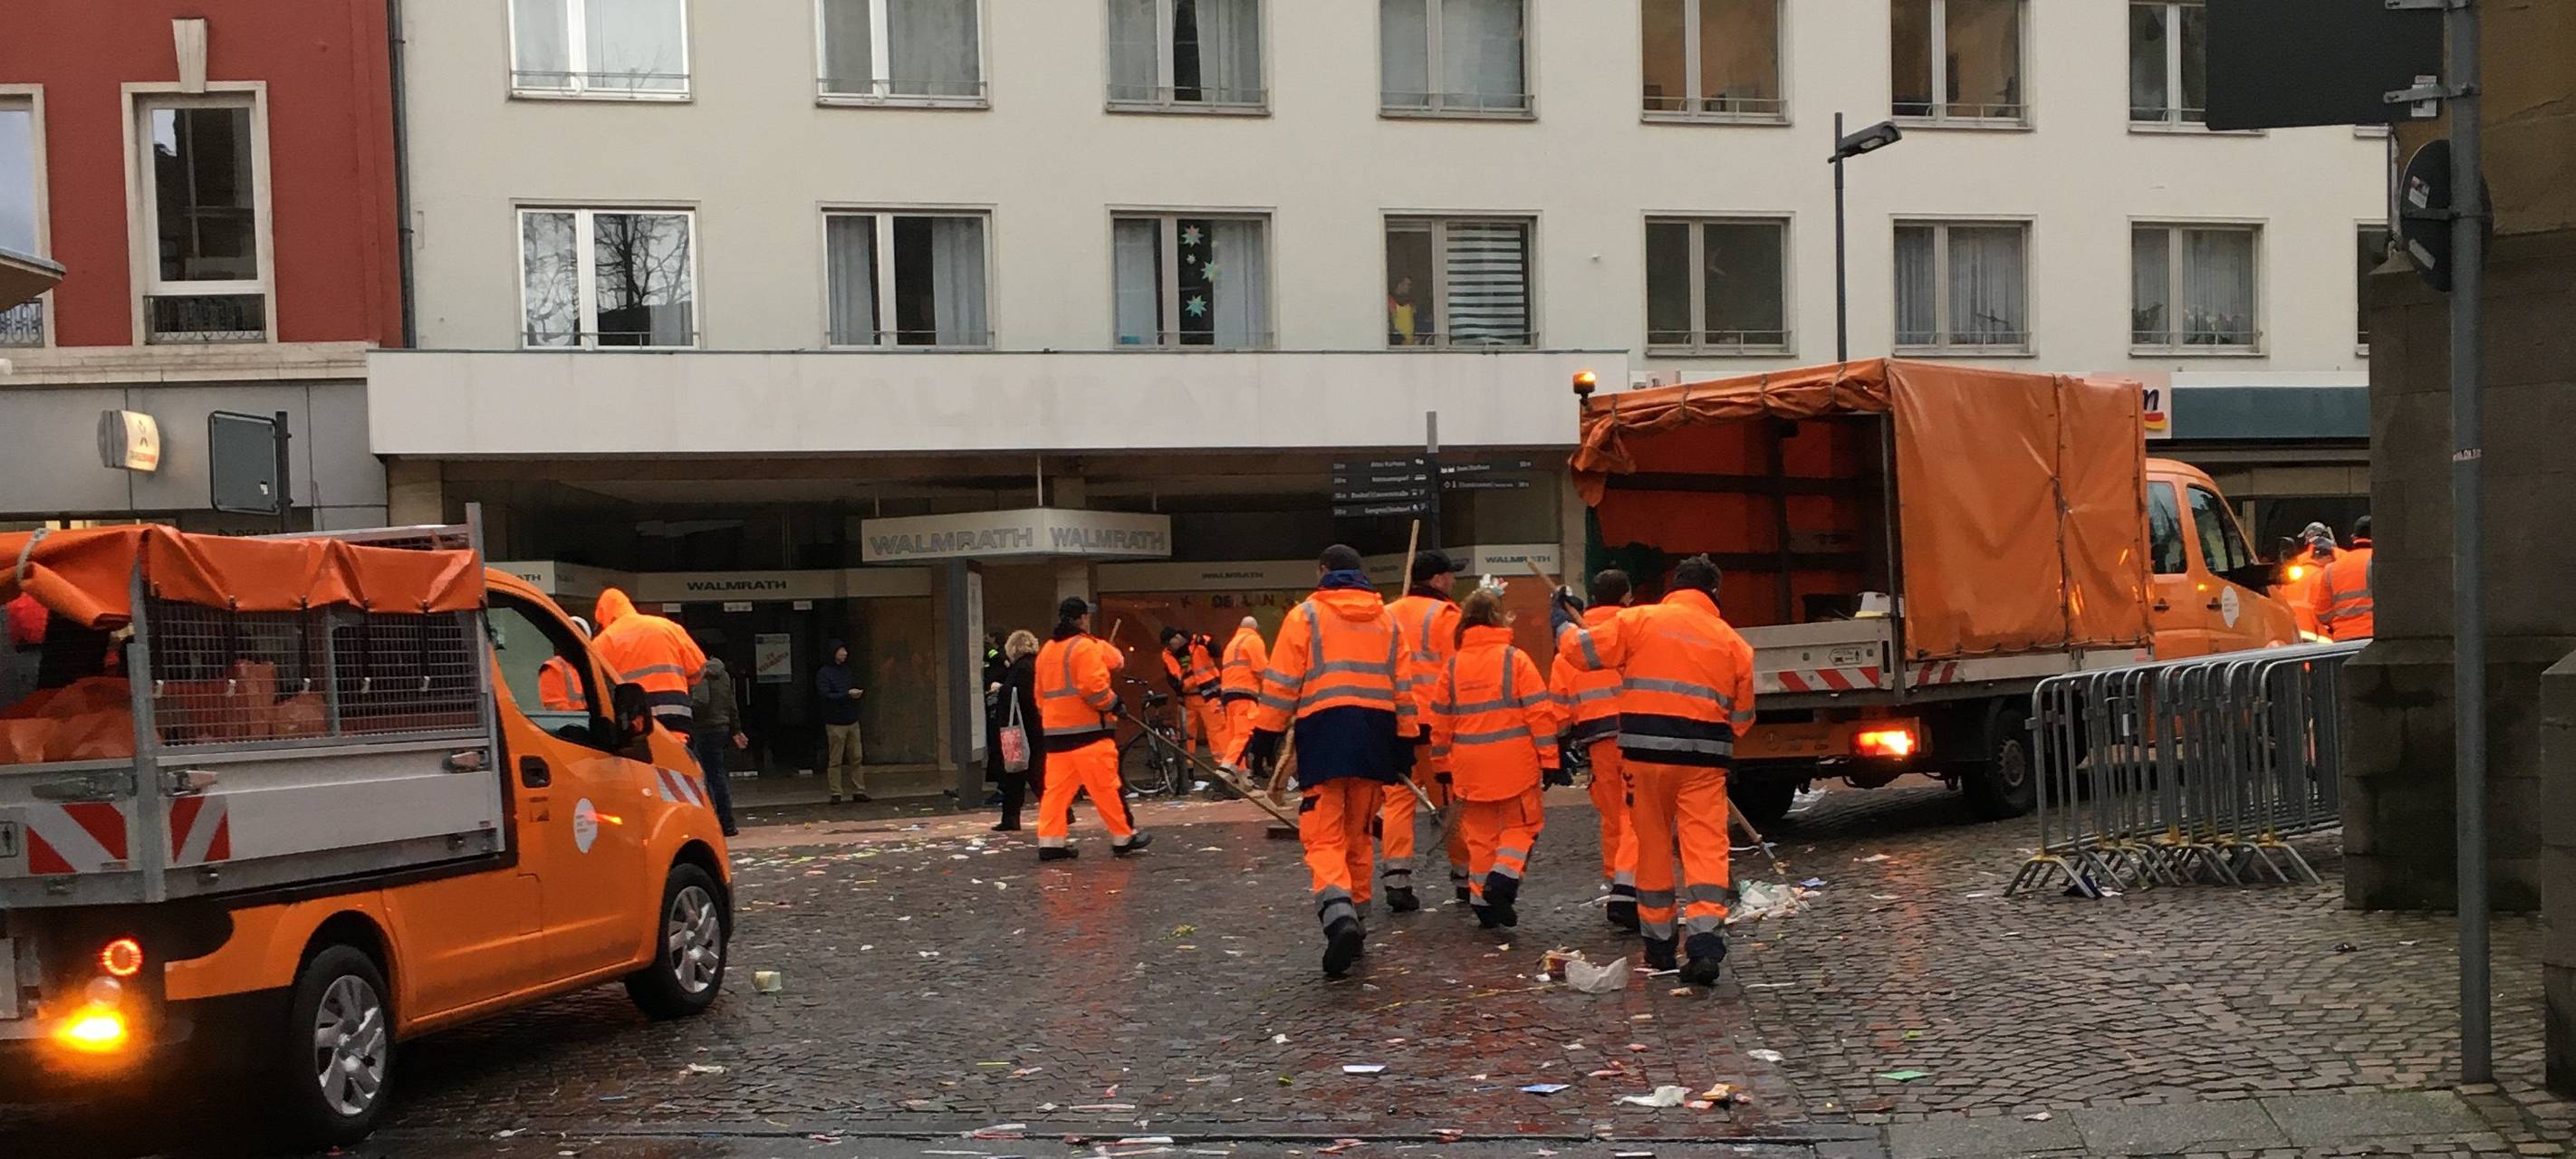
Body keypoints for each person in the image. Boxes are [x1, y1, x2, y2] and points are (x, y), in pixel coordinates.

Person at [1553, 554, 1755, 987]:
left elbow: (1578, 652)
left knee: (1652, 846)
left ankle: (1660, 945)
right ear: (1714, 593)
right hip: (1703, 763)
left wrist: (1561, 618)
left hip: (1643, 756)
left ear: (1674, 586)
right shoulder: (1733, 643)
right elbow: (1742, 719)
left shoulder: (1639, 621)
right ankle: (1703, 943)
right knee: (1705, 849)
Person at [1243, 544, 1415, 978]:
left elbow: (1283, 681)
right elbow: (1404, 690)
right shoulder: (1388, 619)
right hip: (1375, 738)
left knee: (1323, 836)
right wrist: (1406, 744)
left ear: (1323, 571)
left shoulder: (1306, 616)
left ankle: (1339, 918)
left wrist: (1264, 734)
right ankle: (1357, 919)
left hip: (1324, 735)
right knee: (1358, 835)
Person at [1426, 588, 1562, 929]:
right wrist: (1550, 760)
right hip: (1514, 762)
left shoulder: (1453, 666)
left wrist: (1441, 765)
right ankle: (1502, 879)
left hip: (1469, 764)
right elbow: (1539, 715)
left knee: (1480, 835)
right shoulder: (1514, 660)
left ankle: (1481, 899)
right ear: (1497, 618)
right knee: (1523, 826)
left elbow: (1440, 722)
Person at [1552, 569, 1639, 931]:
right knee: (1638, 812)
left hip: (1598, 741)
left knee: (1613, 813)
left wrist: (1554, 748)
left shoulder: (1574, 649)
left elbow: (1558, 712)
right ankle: (1629, 884)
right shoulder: (1637, 631)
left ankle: (1618, 880)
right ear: (1627, 597)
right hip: (1640, 735)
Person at [1035, 598, 1151, 860]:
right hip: (1090, 734)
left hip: (1056, 736)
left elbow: (1040, 696)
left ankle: (1051, 843)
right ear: (1081, 619)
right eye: (1087, 616)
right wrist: (1114, 704)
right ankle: (1124, 836)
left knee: (1056, 792)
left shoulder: (1047, 651)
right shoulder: (1084, 648)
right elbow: (1093, 688)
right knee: (1107, 788)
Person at [1383, 549, 1467, 913]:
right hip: (1434, 721)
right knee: (1448, 799)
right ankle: (1465, 876)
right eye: (1450, 575)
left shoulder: (1387, 613)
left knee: (1398, 800)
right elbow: (1457, 669)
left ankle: (1396, 879)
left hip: (1397, 720)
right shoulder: (1447, 615)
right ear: (1436, 580)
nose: (1453, 581)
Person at [591, 588, 707, 736]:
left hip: (636, 714)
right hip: (675, 708)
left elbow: (596, 683)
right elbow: (698, 670)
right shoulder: (667, 627)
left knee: (643, 756)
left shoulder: (604, 640)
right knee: (678, 754)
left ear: (603, 615)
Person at [993, 629, 1046, 832]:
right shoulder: (1037, 665)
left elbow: (1019, 697)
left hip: (1019, 728)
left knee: (1019, 772)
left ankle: (1011, 818)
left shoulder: (1021, 669)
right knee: (1032, 773)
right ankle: (1011, 817)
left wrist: (1001, 688)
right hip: (1036, 727)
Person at [688, 657, 746, 837]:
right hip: (722, 726)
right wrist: (736, 729)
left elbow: (701, 701)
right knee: (718, 774)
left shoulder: (700, 673)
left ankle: (717, 821)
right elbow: (732, 704)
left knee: (707, 776)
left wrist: (684, 710)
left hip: (705, 727)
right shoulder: (723, 674)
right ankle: (727, 822)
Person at [1160, 627, 1226, 761]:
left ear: (1177, 638)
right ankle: (1187, 770)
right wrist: (1179, 692)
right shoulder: (1168, 654)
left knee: (1217, 732)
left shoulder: (1200, 642)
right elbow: (1171, 677)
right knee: (1185, 735)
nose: (1169, 647)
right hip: (1187, 699)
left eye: (1169, 643)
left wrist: (1203, 641)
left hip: (1209, 696)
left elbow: (1218, 652)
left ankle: (1224, 769)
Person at [816, 639, 869, 804]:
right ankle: (836, 792)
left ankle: (859, 789)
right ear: (834, 653)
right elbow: (825, 695)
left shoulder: (847, 671)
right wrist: (846, 694)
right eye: (841, 650)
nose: (845, 653)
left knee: (857, 757)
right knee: (836, 759)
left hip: (852, 720)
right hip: (835, 722)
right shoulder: (824, 673)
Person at [1217, 616, 1268, 767]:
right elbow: (1261, 669)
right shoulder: (1253, 640)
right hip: (1245, 694)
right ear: (1256, 628)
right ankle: (1226, 771)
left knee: (1234, 737)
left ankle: (1241, 776)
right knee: (1244, 735)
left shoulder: (1232, 644)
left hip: (1229, 695)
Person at [2319, 515, 2377, 642]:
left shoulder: (2331, 568)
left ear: (2353, 538)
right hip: (2374, 636)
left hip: (2342, 639)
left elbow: (2322, 614)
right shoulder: (2379, 562)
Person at [2280, 522, 2341, 638]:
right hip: (2313, 632)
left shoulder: (2294, 573)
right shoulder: (2322, 576)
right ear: (2328, 557)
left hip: (2289, 631)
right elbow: (2325, 609)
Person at [1387, 275, 1420, 345]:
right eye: (1408, 285)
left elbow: (1416, 321)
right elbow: (1389, 325)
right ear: (1399, 285)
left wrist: (1417, 336)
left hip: (1411, 343)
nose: (1410, 288)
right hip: (1397, 344)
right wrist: (1400, 340)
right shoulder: (1389, 300)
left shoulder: (1410, 302)